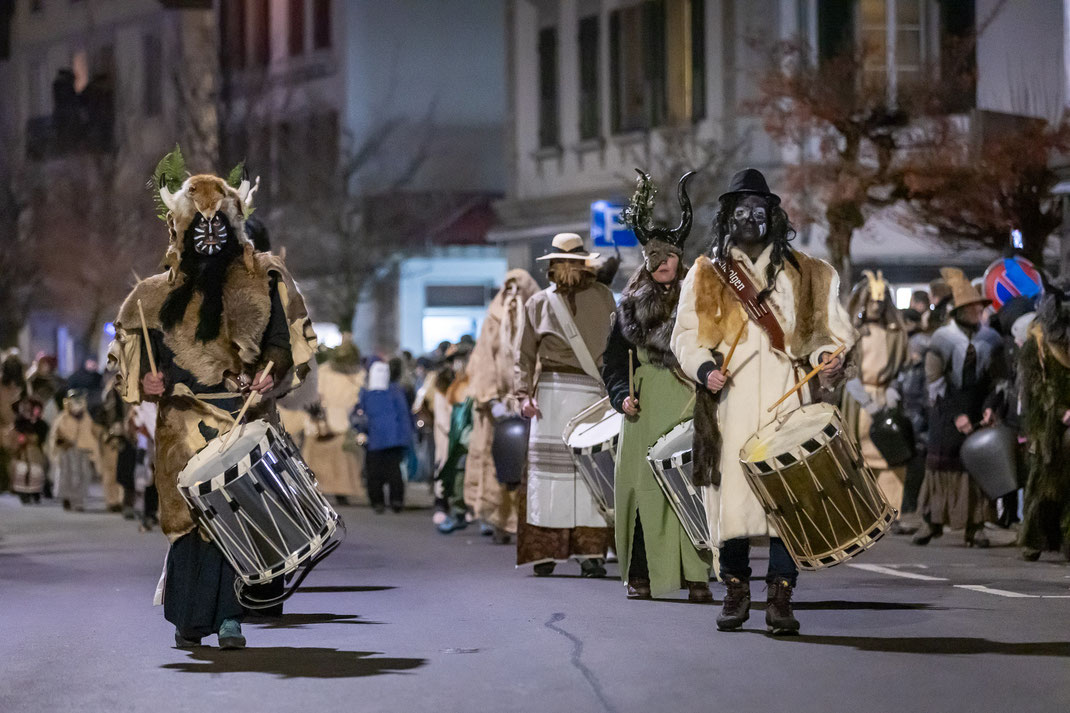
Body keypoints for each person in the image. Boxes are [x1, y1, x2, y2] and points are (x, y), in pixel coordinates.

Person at [109, 151, 317, 649]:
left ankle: (229, 617)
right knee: (187, 516)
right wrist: (145, 383)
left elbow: (284, 343)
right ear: (181, 229)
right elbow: (130, 355)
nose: (208, 234)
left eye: (218, 224)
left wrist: (271, 373)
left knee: (238, 512)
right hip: (181, 423)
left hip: (243, 417)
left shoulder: (263, 278)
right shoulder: (153, 295)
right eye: (197, 224)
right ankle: (189, 616)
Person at [671, 168, 856, 634]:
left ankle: (781, 597)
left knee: (787, 499)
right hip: (728, 401)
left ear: (773, 215)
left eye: (758, 210)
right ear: (727, 218)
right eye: (740, 211)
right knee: (731, 503)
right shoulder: (708, 274)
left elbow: (822, 335)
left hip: (785, 396)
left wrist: (826, 359)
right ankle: (736, 591)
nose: (749, 218)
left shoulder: (805, 272)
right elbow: (686, 338)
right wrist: (705, 370)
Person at [602, 170, 713, 601]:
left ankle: (696, 575)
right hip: (644, 407)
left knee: (690, 487)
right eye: (653, 257)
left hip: (687, 399)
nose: (661, 264)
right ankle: (643, 573)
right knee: (643, 489)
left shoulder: (700, 301)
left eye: (667, 256)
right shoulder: (628, 305)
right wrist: (620, 397)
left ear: (679, 257)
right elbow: (611, 362)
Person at [515, 232, 616, 577]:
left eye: (574, 260)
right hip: (551, 396)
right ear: (553, 266)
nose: (568, 267)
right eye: (562, 261)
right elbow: (523, 355)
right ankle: (545, 551)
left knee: (592, 475)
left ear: (584, 264)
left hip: (593, 394)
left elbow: (618, 348)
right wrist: (522, 394)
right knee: (548, 477)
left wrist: (620, 389)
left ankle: (592, 554)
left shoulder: (604, 297)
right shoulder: (538, 303)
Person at [912, 268, 1003, 548]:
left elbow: (998, 381)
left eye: (979, 305)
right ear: (959, 311)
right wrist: (957, 415)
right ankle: (931, 521)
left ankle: (975, 526)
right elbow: (935, 381)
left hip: (977, 406)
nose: (978, 310)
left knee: (975, 467)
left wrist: (990, 408)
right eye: (971, 307)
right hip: (947, 408)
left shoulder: (991, 339)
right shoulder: (941, 339)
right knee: (941, 466)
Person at [462, 269, 541, 544]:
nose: (512, 296)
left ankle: (527, 523)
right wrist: (491, 398)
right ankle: (499, 520)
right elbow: (485, 358)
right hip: (498, 407)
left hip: (529, 405)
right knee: (497, 465)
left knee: (528, 466)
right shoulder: (493, 319)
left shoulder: (538, 314)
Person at [841, 270, 910, 528]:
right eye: (872, 301)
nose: (876, 306)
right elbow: (848, 368)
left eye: (880, 302)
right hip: (858, 400)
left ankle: (892, 510)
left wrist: (893, 389)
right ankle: (862, 512)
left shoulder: (895, 333)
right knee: (859, 456)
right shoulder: (853, 334)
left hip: (886, 397)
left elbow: (902, 366)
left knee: (892, 455)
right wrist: (860, 394)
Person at [1017, 289, 1070, 562]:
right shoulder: (1036, 346)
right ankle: (1032, 539)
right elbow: (1035, 391)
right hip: (1044, 426)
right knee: (1040, 483)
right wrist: (1059, 411)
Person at [303, 339, 366, 506]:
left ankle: (321, 490)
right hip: (337, 422)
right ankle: (338, 492)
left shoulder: (325, 371)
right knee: (340, 461)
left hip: (327, 422)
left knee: (322, 460)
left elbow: (315, 393)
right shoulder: (358, 374)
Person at [353, 360, 413, 513]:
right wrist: (405, 438)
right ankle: (395, 500)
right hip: (391, 439)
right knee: (393, 472)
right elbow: (404, 416)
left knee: (375, 473)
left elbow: (359, 415)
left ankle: (379, 501)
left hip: (375, 439)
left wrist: (361, 430)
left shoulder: (366, 394)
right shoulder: (395, 392)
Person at [48, 389, 101, 512]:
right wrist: (60, 444)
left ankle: (78, 501)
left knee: (82, 475)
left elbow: (91, 435)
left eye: (80, 402)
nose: (77, 406)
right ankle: (66, 497)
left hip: (82, 452)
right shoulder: (62, 418)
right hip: (67, 452)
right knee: (66, 475)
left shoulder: (86, 419)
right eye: (74, 402)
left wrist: (93, 453)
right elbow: (55, 436)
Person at [11, 396, 48, 504]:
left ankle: (35, 492)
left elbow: (42, 436)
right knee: (22, 472)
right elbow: (14, 436)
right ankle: (23, 493)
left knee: (36, 471)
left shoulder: (39, 423)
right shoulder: (18, 422)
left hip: (35, 452)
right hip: (22, 452)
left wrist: (34, 437)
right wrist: (19, 439)